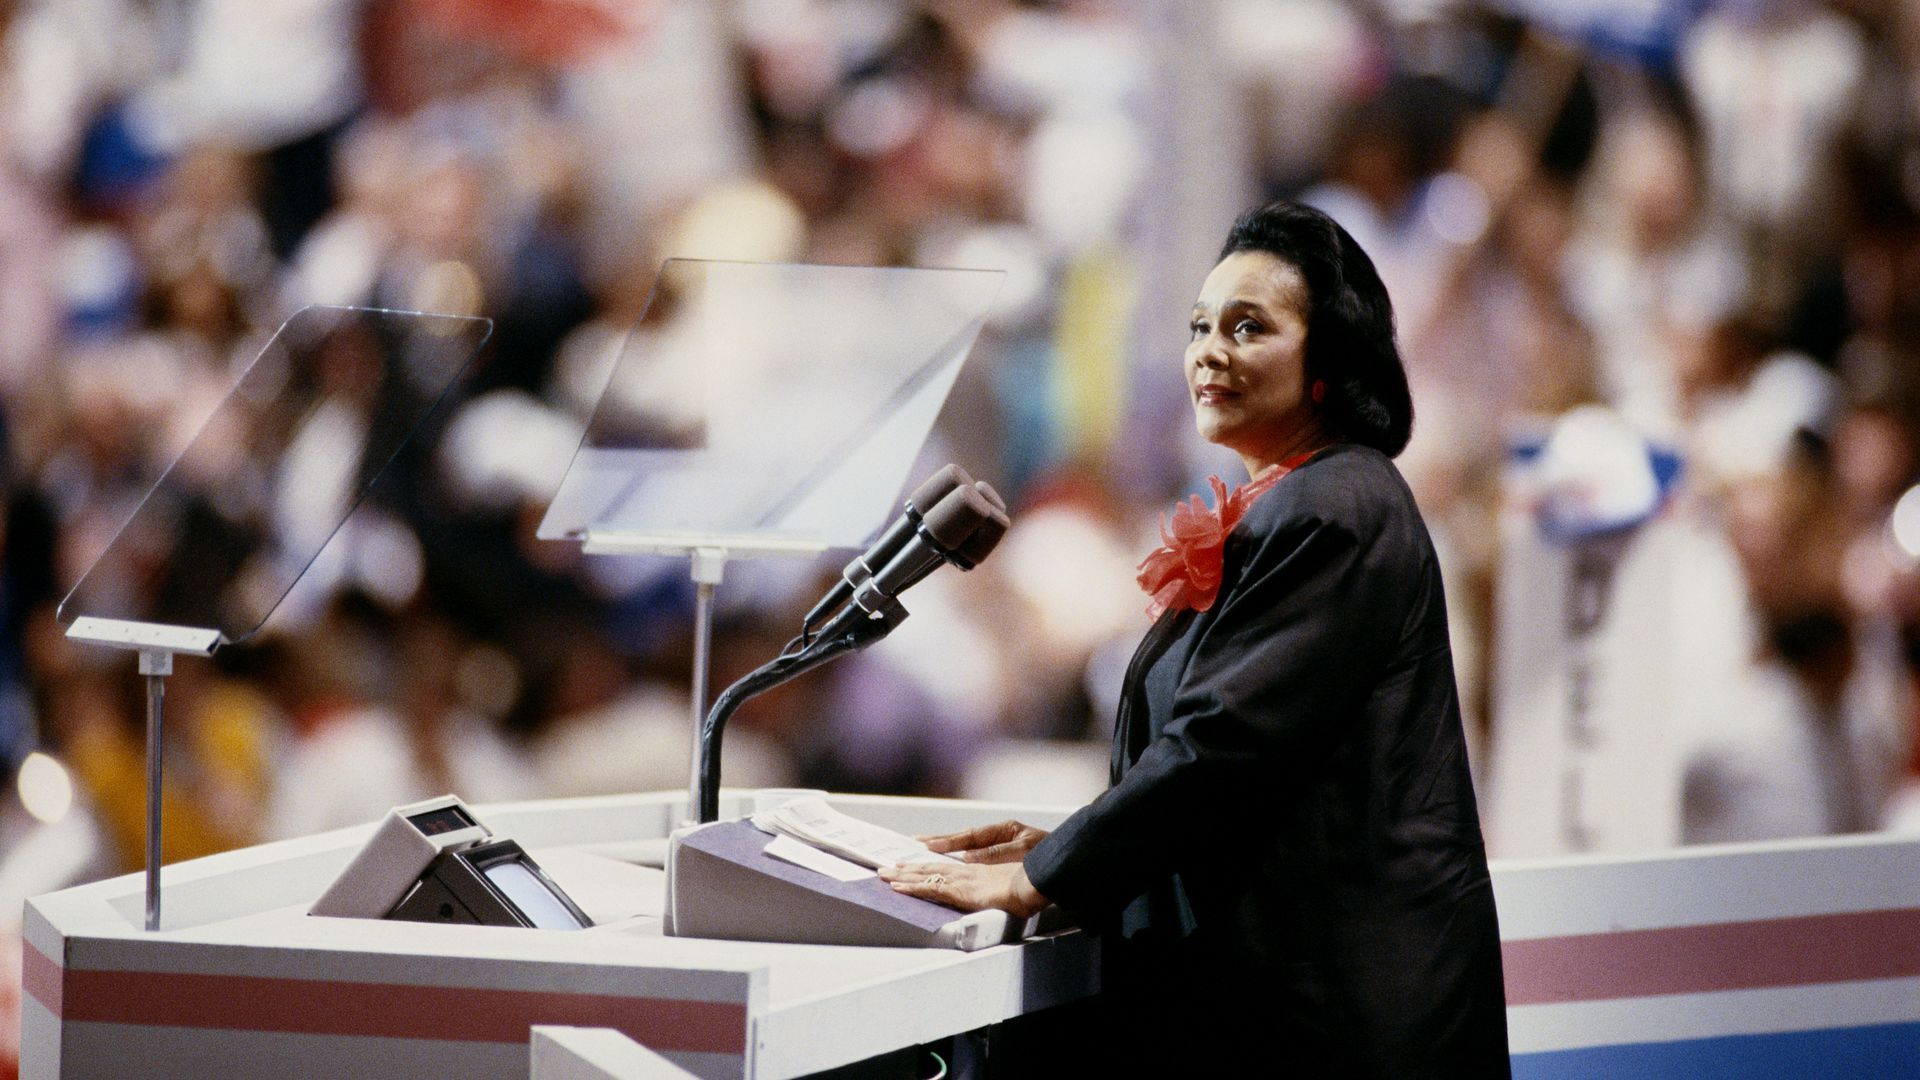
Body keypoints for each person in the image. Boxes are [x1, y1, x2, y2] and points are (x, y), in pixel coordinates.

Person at [880, 201, 1511, 1076]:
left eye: (1249, 327)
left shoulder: (1338, 507)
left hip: (1342, 1022)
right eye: (1200, 326)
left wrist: (1043, 877)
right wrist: (1071, 846)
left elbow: (1223, 744)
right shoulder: (1294, 501)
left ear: (1329, 356)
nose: (1209, 350)